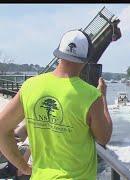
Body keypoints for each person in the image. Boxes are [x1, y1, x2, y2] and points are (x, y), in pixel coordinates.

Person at [0, 29, 113, 179]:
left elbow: (2, 129)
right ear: (86, 60)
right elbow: (103, 138)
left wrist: (24, 167)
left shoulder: (30, 86)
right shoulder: (91, 95)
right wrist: (103, 96)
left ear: (59, 54)